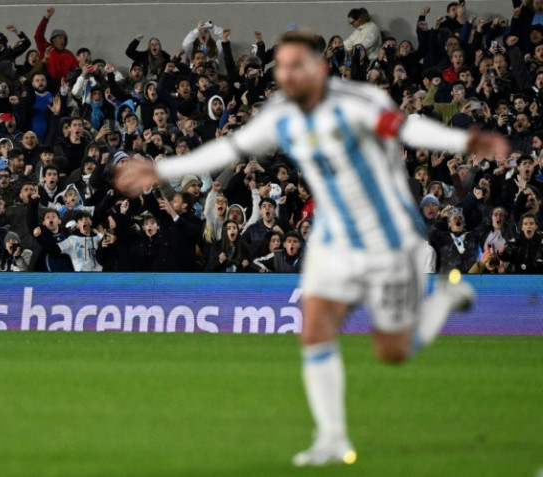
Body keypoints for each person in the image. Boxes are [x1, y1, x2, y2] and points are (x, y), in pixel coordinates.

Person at [113, 30, 510, 467]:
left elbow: (406, 127)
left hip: (385, 232)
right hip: (333, 234)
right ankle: (332, 438)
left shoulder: (356, 102)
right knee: (315, 328)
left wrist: (465, 142)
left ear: (318, 69)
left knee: (393, 351)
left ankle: (446, 299)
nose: (284, 74)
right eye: (280, 66)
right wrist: (161, 168)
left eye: (293, 65)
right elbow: (229, 147)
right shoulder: (281, 113)